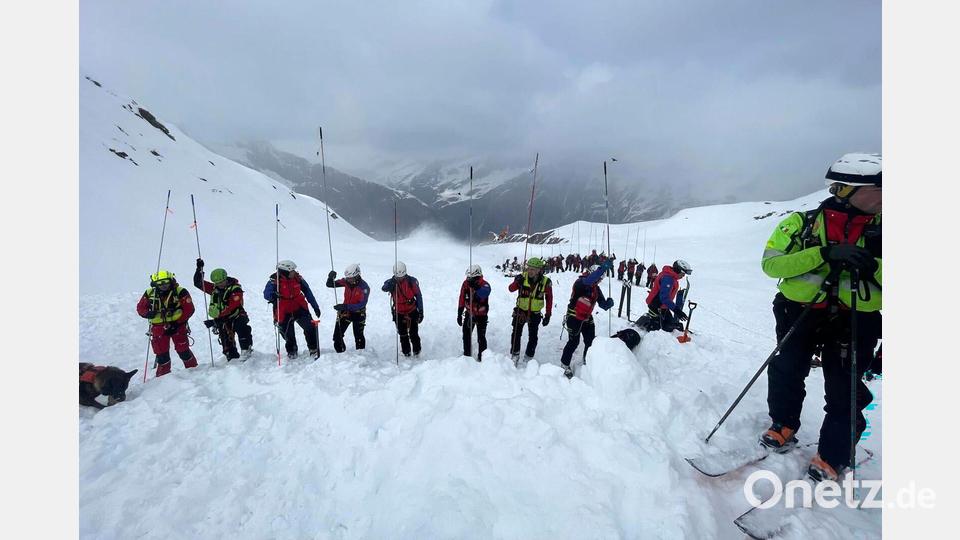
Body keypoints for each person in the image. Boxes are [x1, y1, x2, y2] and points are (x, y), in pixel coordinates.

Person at [759, 153, 882, 483]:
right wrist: (824, 254)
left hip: (855, 319)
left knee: (845, 388)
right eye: (879, 189)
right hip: (799, 311)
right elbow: (772, 264)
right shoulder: (801, 222)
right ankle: (783, 424)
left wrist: (876, 265)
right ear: (848, 190)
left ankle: (833, 455)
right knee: (787, 368)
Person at [136, 270, 199, 376]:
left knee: (183, 351)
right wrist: (147, 313)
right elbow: (140, 307)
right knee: (162, 355)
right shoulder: (150, 293)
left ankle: (195, 372)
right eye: (160, 283)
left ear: (170, 280)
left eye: (165, 282)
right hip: (158, 328)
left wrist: (177, 323)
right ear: (155, 283)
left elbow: (189, 309)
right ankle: (162, 378)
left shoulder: (180, 291)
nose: (163, 285)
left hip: (178, 326)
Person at [559, 261, 615, 378]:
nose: (599, 281)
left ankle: (587, 361)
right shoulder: (581, 282)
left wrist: (608, 304)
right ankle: (564, 364)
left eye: (601, 279)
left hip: (587, 317)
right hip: (574, 316)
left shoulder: (596, 288)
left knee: (590, 342)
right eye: (599, 278)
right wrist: (603, 268)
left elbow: (602, 305)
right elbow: (589, 281)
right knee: (574, 342)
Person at [194, 259, 252, 361]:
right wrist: (199, 269)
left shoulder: (235, 289)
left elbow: (232, 306)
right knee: (226, 342)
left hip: (236, 315)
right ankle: (231, 357)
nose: (220, 284)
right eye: (217, 283)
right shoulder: (214, 289)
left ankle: (246, 349)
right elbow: (198, 283)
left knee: (242, 327)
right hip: (222, 319)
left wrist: (216, 320)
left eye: (221, 282)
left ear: (226, 279)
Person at [263, 260, 321, 359]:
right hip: (283, 309)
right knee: (287, 333)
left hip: (299, 306)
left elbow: (307, 291)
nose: (294, 272)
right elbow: (266, 294)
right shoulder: (274, 280)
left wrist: (315, 306)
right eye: (292, 271)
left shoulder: (298, 278)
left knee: (310, 327)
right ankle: (292, 351)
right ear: (285, 271)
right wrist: (273, 295)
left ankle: (313, 348)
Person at [508, 257, 553, 365]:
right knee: (516, 334)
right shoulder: (522, 277)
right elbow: (511, 289)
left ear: (539, 270)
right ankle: (515, 353)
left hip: (535, 313)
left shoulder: (546, 282)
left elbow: (549, 298)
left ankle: (529, 356)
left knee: (533, 336)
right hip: (521, 311)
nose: (530, 271)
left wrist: (548, 314)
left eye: (533, 269)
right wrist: (517, 282)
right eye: (529, 268)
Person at [382, 261, 424, 357]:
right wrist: (391, 283)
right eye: (398, 277)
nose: (400, 278)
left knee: (414, 333)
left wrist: (421, 311)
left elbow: (418, 296)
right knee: (403, 334)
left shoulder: (412, 281)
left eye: (402, 276)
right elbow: (384, 288)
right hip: (399, 312)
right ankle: (406, 352)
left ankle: (417, 351)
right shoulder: (391, 282)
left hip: (412, 310)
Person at [326, 263, 370, 353]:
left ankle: (361, 355)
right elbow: (330, 284)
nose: (348, 280)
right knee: (337, 336)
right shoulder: (345, 282)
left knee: (358, 335)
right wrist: (330, 277)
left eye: (351, 278)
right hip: (346, 312)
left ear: (357, 276)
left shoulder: (364, 287)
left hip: (358, 313)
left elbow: (362, 304)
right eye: (347, 278)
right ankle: (340, 353)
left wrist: (345, 306)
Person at [638, 260, 692, 332]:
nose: (683, 276)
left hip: (663, 306)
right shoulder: (668, 279)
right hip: (656, 306)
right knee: (658, 330)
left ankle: (651, 321)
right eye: (683, 273)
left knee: (671, 326)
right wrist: (677, 311)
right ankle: (647, 327)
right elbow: (664, 298)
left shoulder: (670, 276)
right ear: (678, 270)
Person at [458, 264, 492, 361]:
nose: (468, 279)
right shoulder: (465, 284)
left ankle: (482, 357)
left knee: (481, 337)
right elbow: (462, 298)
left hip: (481, 316)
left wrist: (476, 287)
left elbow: (482, 295)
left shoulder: (485, 285)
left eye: (470, 277)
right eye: (468, 277)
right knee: (466, 334)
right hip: (469, 314)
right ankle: (467, 354)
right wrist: (459, 312)